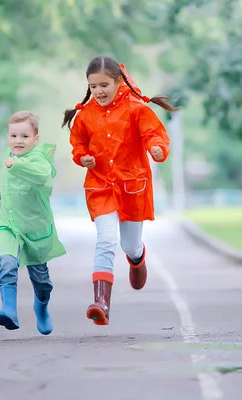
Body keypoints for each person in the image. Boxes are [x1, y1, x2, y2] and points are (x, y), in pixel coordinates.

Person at [62, 56, 180, 326]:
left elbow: (154, 134)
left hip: (131, 186)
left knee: (128, 244)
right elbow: (78, 143)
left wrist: (157, 149)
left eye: (104, 84)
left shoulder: (136, 109)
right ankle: (101, 303)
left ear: (118, 81)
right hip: (100, 186)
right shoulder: (86, 115)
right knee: (105, 240)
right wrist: (82, 158)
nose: (98, 91)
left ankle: (137, 258)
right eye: (93, 87)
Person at [0, 111, 66, 335]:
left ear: (36, 139)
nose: (18, 141)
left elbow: (40, 177)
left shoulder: (40, 161)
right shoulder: (9, 158)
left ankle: (41, 307)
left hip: (34, 228)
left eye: (24, 136)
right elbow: (5, 184)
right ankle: (8, 310)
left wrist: (16, 165)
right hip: (7, 224)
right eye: (13, 136)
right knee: (7, 263)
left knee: (41, 279)